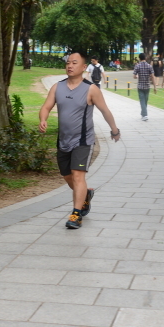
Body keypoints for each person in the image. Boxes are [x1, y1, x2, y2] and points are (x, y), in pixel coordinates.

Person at [39, 52, 121, 229]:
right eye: (68, 63)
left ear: (84, 67)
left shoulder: (91, 89)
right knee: (67, 176)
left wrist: (114, 130)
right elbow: (46, 106)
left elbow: (105, 111)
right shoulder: (57, 87)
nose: (70, 66)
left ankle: (76, 215)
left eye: (74, 63)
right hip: (63, 140)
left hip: (83, 140)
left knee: (77, 176)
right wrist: (43, 119)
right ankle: (85, 196)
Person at [133, 53, 156, 121]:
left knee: (142, 101)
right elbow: (152, 77)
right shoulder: (149, 66)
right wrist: (155, 87)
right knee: (145, 100)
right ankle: (144, 114)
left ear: (139, 59)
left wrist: (137, 76)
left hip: (140, 86)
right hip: (147, 85)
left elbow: (134, 76)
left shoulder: (137, 66)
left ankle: (144, 114)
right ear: (145, 58)